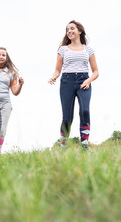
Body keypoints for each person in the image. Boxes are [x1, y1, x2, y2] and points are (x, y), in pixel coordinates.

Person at [49, 20, 99, 151]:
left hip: (83, 81)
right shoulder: (63, 49)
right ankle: (63, 146)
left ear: (79, 31)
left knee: (85, 111)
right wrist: (54, 76)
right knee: (67, 117)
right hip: (67, 82)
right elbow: (57, 69)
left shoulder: (88, 50)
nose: (69, 31)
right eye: (67, 30)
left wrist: (88, 81)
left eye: (72, 28)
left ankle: (85, 146)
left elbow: (96, 72)